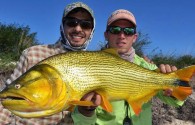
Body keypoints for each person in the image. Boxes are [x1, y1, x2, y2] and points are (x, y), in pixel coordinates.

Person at [71, 9, 183, 125]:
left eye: (128, 31)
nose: (122, 35)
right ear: (106, 35)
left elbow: (175, 101)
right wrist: (86, 110)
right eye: (115, 30)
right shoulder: (89, 66)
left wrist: (176, 86)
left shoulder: (149, 67)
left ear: (134, 37)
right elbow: (81, 122)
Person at [0, 2, 95, 124]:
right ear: (62, 26)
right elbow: (6, 100)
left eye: (85, 25)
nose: (78, 29)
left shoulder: (95, 64)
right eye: (71, 22)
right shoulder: (32, 54)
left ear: (92, 30)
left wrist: (88, 109)